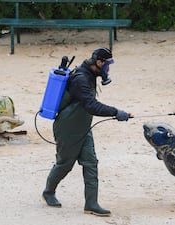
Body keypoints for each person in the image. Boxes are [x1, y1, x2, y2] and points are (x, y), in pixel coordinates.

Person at [42, 47, 131, 217]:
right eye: (107, 65)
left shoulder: (90, 75)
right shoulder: (81, 78)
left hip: (83, 126)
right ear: (99, 63)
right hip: (68, 127)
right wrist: (115, 112)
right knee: (65, 164)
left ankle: (91, 203)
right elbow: (91, 105)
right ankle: (48, 192)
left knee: (90, 163)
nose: (108, 69)